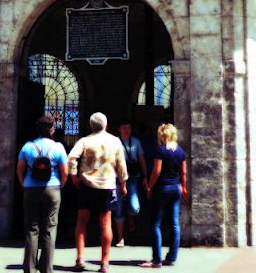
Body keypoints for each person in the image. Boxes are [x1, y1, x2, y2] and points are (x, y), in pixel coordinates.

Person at [68, 112, 128, 273]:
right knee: (106, 223)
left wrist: (74, 175)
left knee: (82, 220)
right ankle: (104, 262)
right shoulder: (115, 141)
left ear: (91, 126)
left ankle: (80, 258)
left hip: (88, 185)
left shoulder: (85, 141)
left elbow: (72, 157)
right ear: (106, 126)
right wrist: (123, 184)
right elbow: (121, 165)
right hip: (107, 186)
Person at [17, 114, 69, 273]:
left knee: (31, 230)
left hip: (30, 189)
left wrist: (25, 184)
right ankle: (46, 269)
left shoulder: (27, 147)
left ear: (37, 130)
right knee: (49, 230)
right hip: (52, 189)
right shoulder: (58, 147)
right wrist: (59, 187)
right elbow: (65, 172)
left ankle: (29, 268)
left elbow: (19, 170)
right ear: (52, 130)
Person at [141, 124, 187, 268]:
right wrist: (183, 187)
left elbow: (157, 171)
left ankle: (156, 260)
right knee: (174, 224)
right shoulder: (180, 151)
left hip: (163, 188)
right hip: (176, 188)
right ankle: (171, 258)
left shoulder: (160, 150)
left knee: (155, 224)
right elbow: (183, 172)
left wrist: (150, 187)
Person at [113, 117, 148, 248]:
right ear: (119, 129)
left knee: (134, 207)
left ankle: (131, 217)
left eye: (128, 128)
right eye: (124, 128)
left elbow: (141, 159)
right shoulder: (115, 142)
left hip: (132, 177)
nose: (126, 130)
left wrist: (145, 176)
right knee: (118, 209)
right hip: (117, 178)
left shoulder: (136, 142)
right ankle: (120, 237)